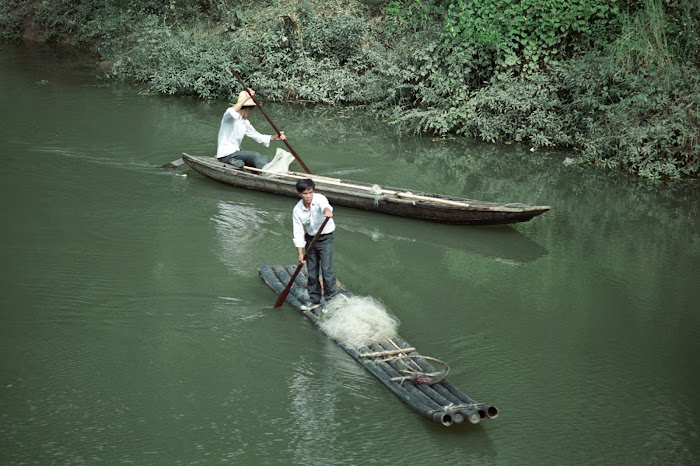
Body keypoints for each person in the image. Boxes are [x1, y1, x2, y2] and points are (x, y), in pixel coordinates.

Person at [292, 178, 338, 311]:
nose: (308, 196)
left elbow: (326, 206)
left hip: (325, 238)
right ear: (300, 194)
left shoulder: (319, 199)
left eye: (310, 192)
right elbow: (298, 232)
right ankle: (314, 299)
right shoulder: (297, 210)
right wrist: (300, 253)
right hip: (311, 240)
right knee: (312, 272)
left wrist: (327, 211)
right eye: (305, 194)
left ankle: (331, 300)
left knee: (327, 270)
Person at [216, 88, 286, 168]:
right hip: (225, 154)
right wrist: (246, 98)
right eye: (251, 110)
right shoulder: (229, 118)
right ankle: (267, 174)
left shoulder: (244, 122)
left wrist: (274, 137)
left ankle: (266, 168)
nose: (251, 112)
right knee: (254, 155)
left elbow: (256, 135)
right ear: (248, 109)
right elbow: (231, 111)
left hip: (236, 152)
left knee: (264, 158)